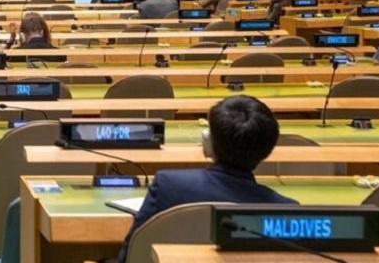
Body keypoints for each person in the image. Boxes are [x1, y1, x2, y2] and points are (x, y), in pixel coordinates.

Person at [116, 96, 295, 263]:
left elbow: (130, 256)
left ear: (208, 142)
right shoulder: (287, 212)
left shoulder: (168, 185)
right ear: (268, 150)